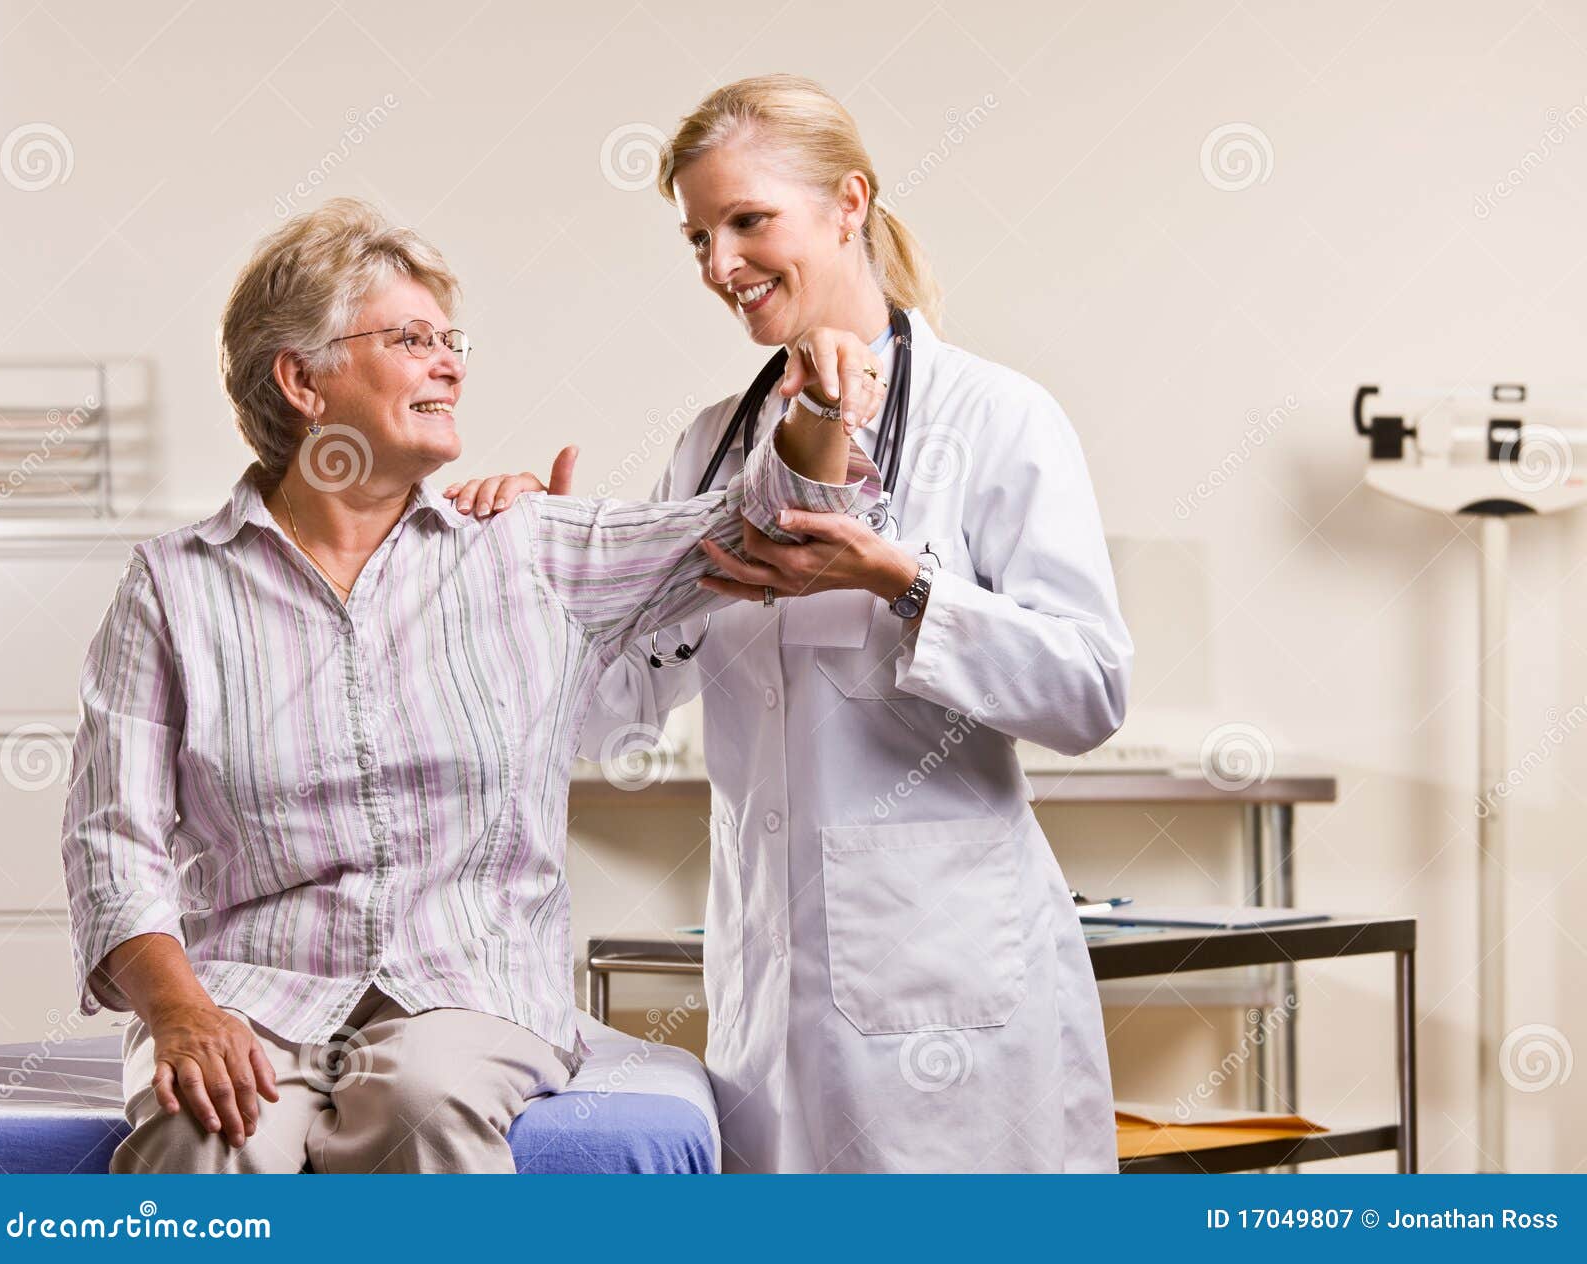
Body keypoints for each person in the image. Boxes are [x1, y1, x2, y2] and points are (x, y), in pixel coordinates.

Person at [59, 196, 888, 1174]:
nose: (450, 361)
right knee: (208, 1133)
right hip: (244, 990)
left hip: (466, 990)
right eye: (412, 339)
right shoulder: (172, 588)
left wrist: (821, 411)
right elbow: (113, 844)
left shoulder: (526, 548)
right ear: (302, 380)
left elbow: (760, 527)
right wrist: (181, 1013)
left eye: (449, 339)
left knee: (417, 1095)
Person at [451, 76, 1135, 1174]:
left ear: (848, 202)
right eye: (697, 238)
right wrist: (535, 578)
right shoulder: (713, 447)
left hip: (949, 986)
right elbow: (611, 719)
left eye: (748, 221)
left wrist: (897, 581)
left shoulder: (997, 418)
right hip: (766, 985)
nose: (722, 265)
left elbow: (1090, 691)